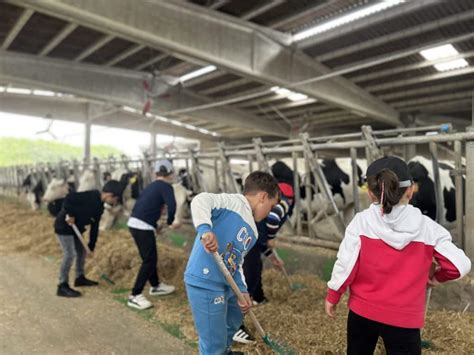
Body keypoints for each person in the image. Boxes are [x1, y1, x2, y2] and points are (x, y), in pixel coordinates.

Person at [325, 156, 471, 355]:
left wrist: (334, 295)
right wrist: (436, 277)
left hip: (362, 313)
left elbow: (346, 263)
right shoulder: (427, 228)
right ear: (411, 191)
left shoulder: (361, 222)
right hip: (404, 320)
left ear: (370, 193)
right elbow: (460, 265)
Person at [184, 171, 280, 355]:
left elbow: (237, 261)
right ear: (263, 197)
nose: (270, 212)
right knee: (213, 340)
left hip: (226, 282)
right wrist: (205, 229)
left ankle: (224, 350)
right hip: (205, 282)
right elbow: (200, 200)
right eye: (271, 206)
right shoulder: (232, 203)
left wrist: (242, 290)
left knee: (235, 316)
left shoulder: (253, 230)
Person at [233, 181, 295, 345]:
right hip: (251, 243)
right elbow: (273, 220)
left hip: (253, 242)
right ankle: (235, 326)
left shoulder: (256, 210)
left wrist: (269, 254)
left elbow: (261, 236)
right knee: (249, 277)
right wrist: (272, 238)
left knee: (253, 273)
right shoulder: (284, 203)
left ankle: (258, 298)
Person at [127, 159, 180, 310]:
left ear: (155, 173)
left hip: (135, 222)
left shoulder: (150, 186)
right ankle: (134, 295)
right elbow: (172, 205)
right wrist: (170, 221)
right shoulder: (166, 187)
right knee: (149, 260)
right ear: (170, 173)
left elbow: (146, 207)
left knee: (149, 257)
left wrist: (155, 225)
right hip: (142, 226)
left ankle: (156, 286)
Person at [54, 180, 122, 297]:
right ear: (110, 195)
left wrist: (91, 245)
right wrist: (71, 215)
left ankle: (79, 278)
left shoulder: (99, 208)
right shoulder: (90, 196)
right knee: (70, 254)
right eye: (115, 200)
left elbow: (94, 227)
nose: (114, 203)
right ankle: (62, 285)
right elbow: (69, 198)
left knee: (82, 252)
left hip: (77, 229)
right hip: (64, 226)